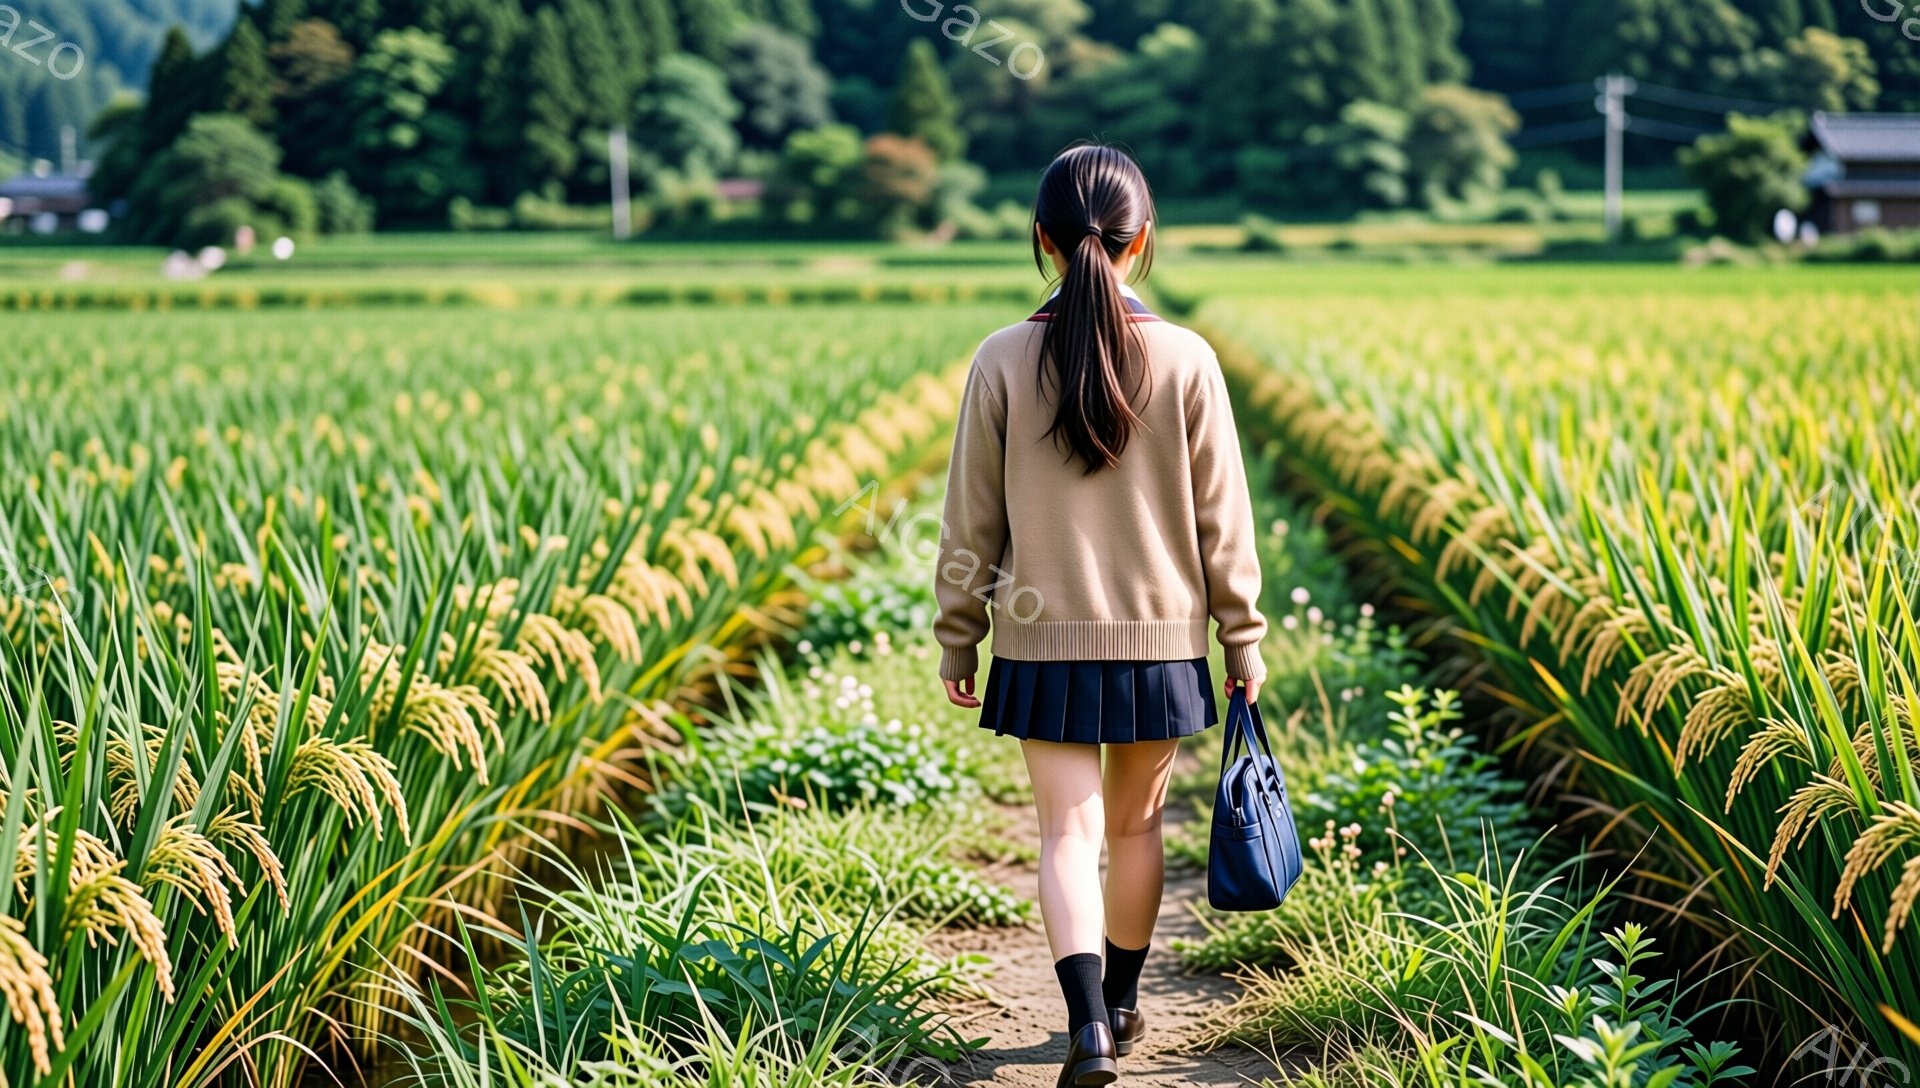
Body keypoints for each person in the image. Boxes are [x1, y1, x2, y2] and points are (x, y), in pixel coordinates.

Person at [932, 144, 1267, 1087]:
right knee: (1134, 833)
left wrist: (960, 632)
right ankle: (1122, 1000)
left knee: (1064, 838)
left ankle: (1086, 1032)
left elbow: (970, 522)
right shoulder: (1189, 358)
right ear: (1142, 240)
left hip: (1041, 644)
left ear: (1040, 240)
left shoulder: (1001, 357)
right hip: (1163, 647)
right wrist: (1241, 639)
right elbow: (1224, 522)